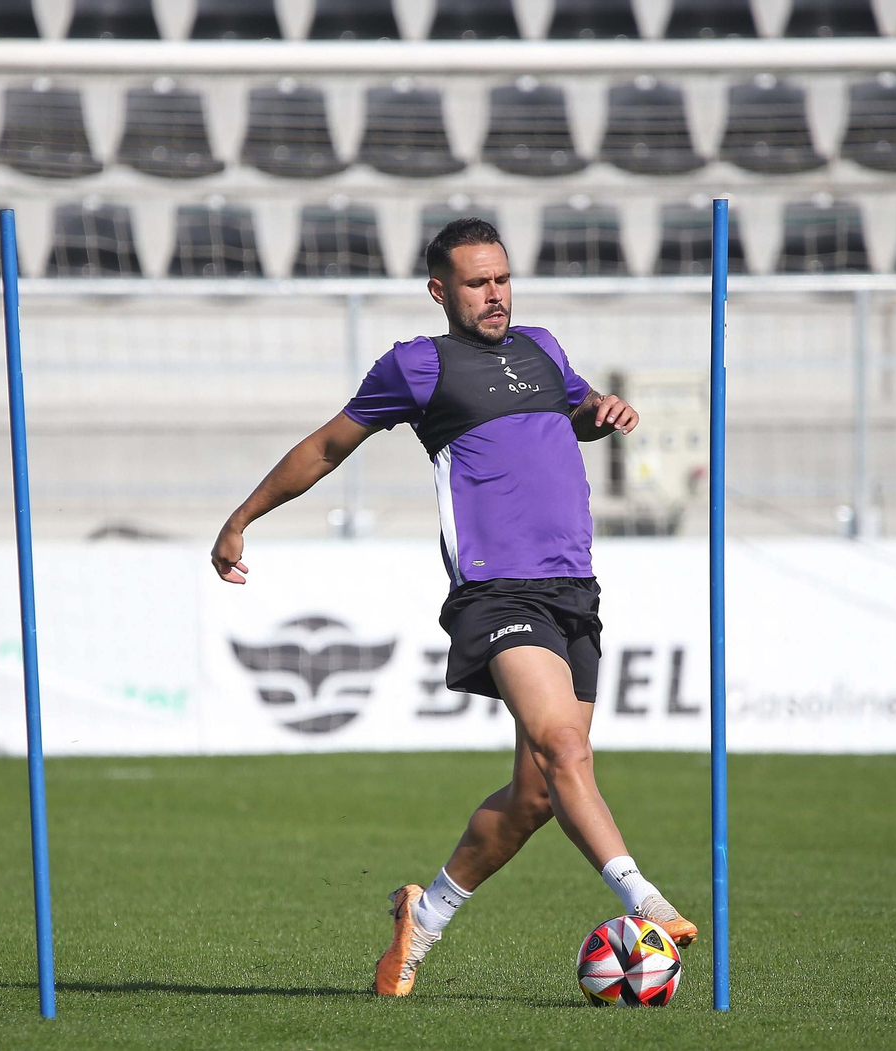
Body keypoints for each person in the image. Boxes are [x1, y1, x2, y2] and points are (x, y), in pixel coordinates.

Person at [211, 217, 696, 997]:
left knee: (537, 795)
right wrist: (241, 519)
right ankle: (648, 902)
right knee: (565, 753)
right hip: (496, 590)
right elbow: (327, 446)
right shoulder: (416, 367)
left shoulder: (542, 347)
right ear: (441, 291)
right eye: (477, 282)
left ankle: (424, 914)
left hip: (575, 585)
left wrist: (599, 411)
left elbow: (568, 414)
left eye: (502, 278)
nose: (495, 294)